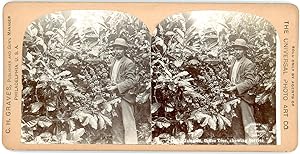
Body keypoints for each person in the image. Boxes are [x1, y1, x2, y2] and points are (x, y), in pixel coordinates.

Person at [226, 38, 259, 145]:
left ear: (244, 51)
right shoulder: (233, 62)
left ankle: (253, 149)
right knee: (236, 125)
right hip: (234, 98)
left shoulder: (248, 63)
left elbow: (250, 82)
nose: (237, 52)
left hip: (245, 98)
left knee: (248, 125)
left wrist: (236, 87)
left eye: (239, 49)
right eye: (235, 49)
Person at [107, 38, 138, 144]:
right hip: (114, 98)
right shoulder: (113, 61)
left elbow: (131, 81)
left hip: (125, 97)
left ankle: (132, 147)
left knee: (128, 124)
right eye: (116, 49)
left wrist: (116, 87)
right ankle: (117, 146)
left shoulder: (129, 63)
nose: (117, 51)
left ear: (124, 50)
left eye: (120, 49)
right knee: (116, 124)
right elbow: (113, 77)